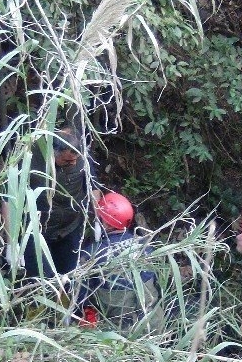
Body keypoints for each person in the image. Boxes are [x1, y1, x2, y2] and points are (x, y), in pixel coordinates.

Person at [76, 192, 164, 333]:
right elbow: (159, 284)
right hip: (155, 326)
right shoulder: (145, 246)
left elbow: (80, 297)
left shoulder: (91, 254)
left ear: (105, 223)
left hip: (119, 332)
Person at [21, 128, 98, 278]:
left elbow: (93, 188)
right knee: (43, 280)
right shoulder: (31, 160)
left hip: (70, 229)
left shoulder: (82, 158)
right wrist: (11, 244)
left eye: (76, 159)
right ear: (53, 152)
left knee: (70, 277)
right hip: (37, 232)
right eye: (67, 161)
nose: (73, 163)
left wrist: (97, 219)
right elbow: (9, 200)